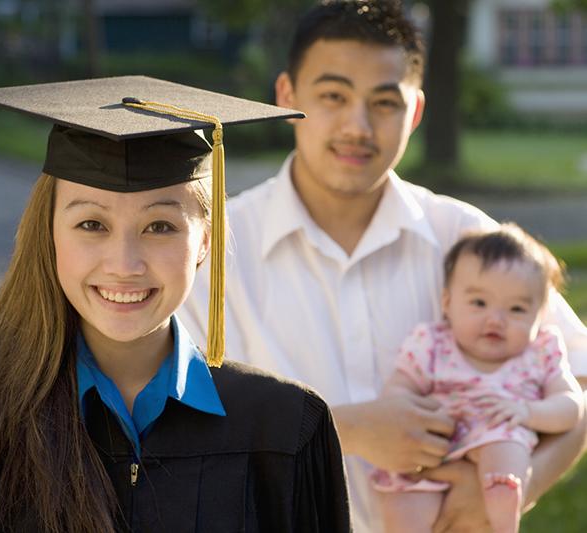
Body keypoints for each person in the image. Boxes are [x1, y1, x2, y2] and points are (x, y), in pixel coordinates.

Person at [178, 2, 587, 532]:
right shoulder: (213, 249)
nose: (358, 125)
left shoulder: (465, 236)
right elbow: (171, 425)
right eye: (333, 96)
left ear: (416, 111)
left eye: (385, 102)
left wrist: (517, 482)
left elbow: (577, 377)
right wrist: (338, 430)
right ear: (287, 96)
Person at [0, 77, 351, 532]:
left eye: (160, 226)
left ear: (205, 241)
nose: (124, 265)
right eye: (91, 225)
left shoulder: (283, 428)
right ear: (51, 234)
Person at [370, 224, 582, 533]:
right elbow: (399, 388)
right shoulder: (432, 343)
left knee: (507, 449)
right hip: (433, 444)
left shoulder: (541, 352)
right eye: (479, 303)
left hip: (498, 431)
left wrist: (528, 413)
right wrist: (414, 411)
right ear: (447, 304)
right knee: (404, 500)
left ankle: (503, 520)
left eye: (517, 308)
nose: (496, 319)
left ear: (540, 314)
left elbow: (571, 405)